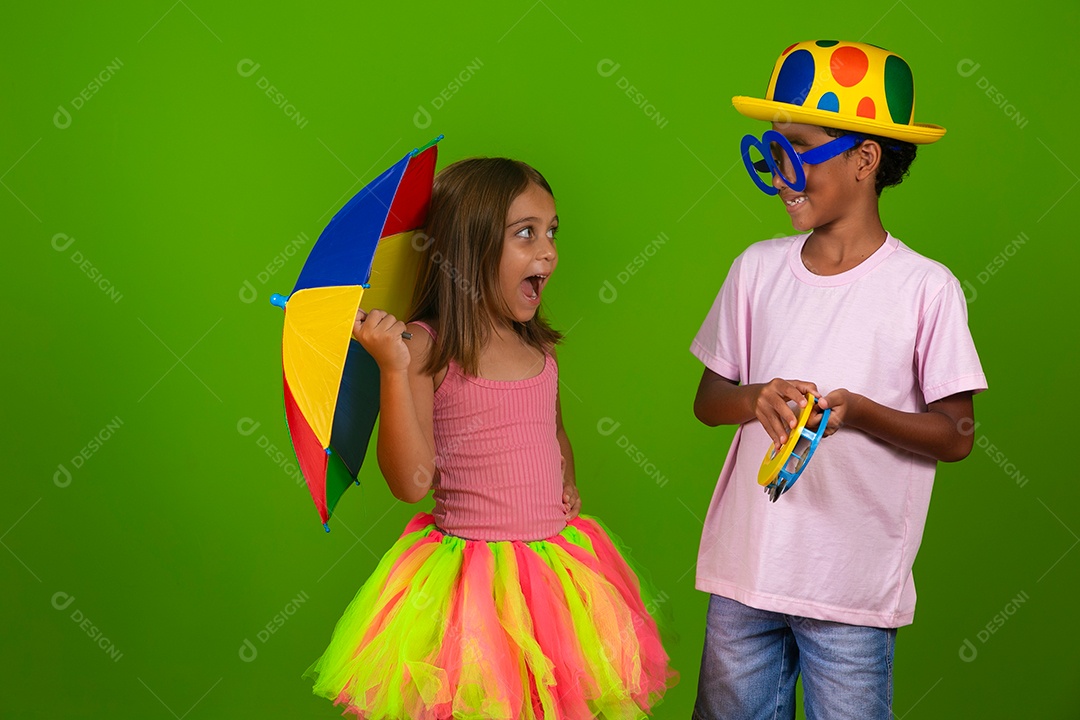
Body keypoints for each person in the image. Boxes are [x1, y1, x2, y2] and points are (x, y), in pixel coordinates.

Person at [308, 156, 676, 719]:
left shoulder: (539, 349)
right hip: (473, 586)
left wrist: (567, 483)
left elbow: (552, 431)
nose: (548, 251)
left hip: (553, 577)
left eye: (552, 232)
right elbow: (410, 482)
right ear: (469, 249)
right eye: (525, 235)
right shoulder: (424, 350)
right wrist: (390, 368)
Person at [689, 40, 987, 719]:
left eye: (797, 148)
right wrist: (754, 397)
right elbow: (709, 403)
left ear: (864, 158)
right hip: (745, 575)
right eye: (773, 147)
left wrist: (859, 412)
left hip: (849, 591)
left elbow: (958, 434)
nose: (779, 170)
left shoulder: (924, 288)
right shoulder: (756, 269)